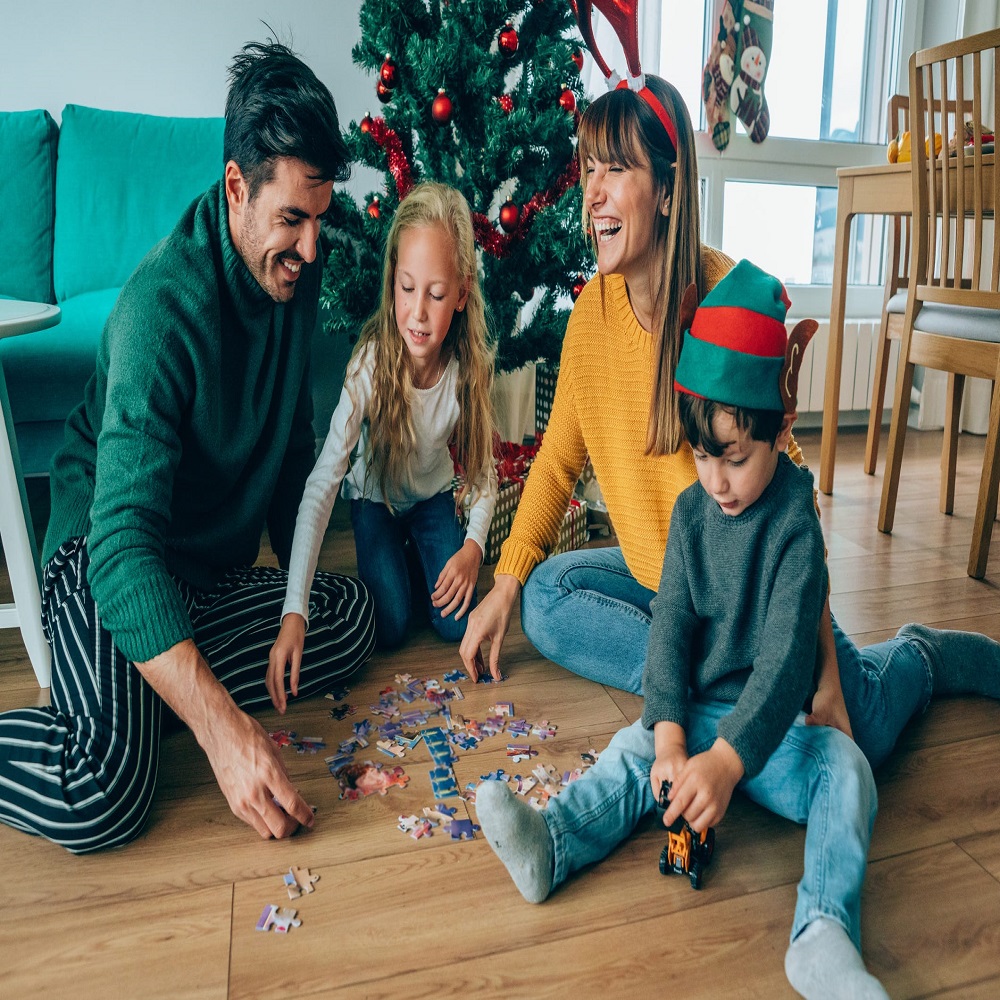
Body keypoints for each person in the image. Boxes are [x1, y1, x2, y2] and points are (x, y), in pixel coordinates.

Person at [458, 74, 1000, 772]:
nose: (591, 192)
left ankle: (920, 655)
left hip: (757, 592)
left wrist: (826, 666)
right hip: (667, 585)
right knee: (544, 597)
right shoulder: (590, 317)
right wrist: (501, 588)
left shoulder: (726, 298)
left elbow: (792, 492)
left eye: (616, 169)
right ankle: (711, 694)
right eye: (588, 167)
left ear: (667, 188)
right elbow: (557, 463)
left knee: (861, 726)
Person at [475, 260, 959, 999]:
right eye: (702, 456)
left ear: (778, 434)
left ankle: (822, 931)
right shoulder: (695, 512)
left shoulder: (795, 522)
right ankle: (556, 842)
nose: (716, 481)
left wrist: (728, 764)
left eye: (734, 458)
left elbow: (788, 659)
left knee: (850, 770)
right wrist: (671, 735)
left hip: (776, 731)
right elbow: (667, 627)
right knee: (634, 745)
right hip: (703, 717)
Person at [0, 41, 376, 854]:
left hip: (206, 576)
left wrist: (291, 605)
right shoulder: (158, 312)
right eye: (291, 220)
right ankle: (146, 704)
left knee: (344, 621)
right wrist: (222, 733)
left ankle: (149, 691)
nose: (312, 249)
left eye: (321, 220)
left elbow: (289, 451)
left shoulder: (297, 274)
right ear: (236, 188)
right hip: (105, 560)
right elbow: (124, 550)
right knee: (105, 794)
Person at [267, 182, 497, 706]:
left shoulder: (466, 370)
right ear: (392, 282)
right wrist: (294, 610)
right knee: (389, 625)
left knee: (449, 623)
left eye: (436, 295)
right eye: (407, 288)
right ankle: (401, 560)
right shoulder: (371, 364)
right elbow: (324, 480)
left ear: (461, 294)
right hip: (374, 501)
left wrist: (472, 548)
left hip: (432, 500)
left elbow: (484, 473)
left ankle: (421, 555)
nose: (417, 313)